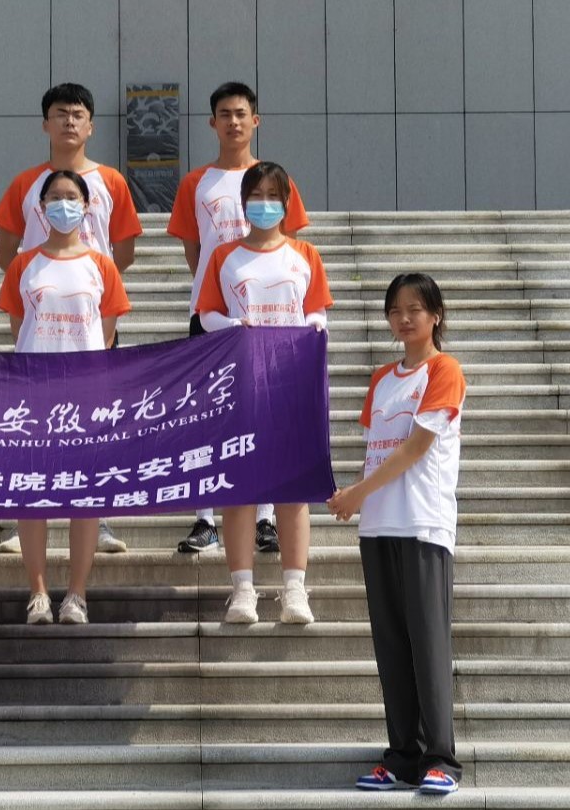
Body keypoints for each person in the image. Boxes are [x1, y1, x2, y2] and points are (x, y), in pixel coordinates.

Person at [328, 273, 465, 795]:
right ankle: (403, 756)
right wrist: (356, 496)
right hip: (379, 525)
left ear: (435, 315)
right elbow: (376, 449)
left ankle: (441, 759)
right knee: (391, 646)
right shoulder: (382, 379)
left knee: (428, 643)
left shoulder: (444, 370)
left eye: (415, 309)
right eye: (395, 310)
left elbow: (414, 448)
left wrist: (358, 493)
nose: (404, 319)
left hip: (423, 522)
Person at [0, 82, 142, 556]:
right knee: (33, 427)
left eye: (78, 114)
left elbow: (124, 251)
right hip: (41, 319)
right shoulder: (25, 183)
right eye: (60, 113)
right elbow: (4, 250)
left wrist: (91, 286)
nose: (69, 121)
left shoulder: (111, 182)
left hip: (90, 315)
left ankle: (98, 520)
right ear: (45, 124)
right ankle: (26, 518)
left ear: (91, 125)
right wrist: (41, 283)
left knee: (94, 426)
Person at [167, 81, 312, 554]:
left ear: (256, 120)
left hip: (269, 318)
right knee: (207, 415)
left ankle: (266, 519)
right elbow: (195, 250)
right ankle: (205, 518)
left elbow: (289, 245)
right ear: (212, 122)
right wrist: (220, 293)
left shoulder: (276, 180)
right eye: (225, 114)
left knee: (266, 414)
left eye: (241, 113)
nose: (233, 121)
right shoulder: (196, 183)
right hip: (212, 314)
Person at [194, 161, 332, 625]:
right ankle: (242, 591)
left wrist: (312, 326)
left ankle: (294, 590)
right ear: (243, 203)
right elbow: (207, 315)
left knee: (293, 490)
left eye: (274, 196)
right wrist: (235, 324)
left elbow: (317, 310)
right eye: (257, 195)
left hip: (291, 381)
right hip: (241, 381)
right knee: (240, 488)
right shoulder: (225, 256)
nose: (265, 204)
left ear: (287, 204)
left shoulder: (304, 254)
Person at [0, 170, 131, 624]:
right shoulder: (23, 265)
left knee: (84, 495)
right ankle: (37, 593)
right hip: (34, 393)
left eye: (72, 196)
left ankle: (77, 594)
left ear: (87, 206)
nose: (63, 204)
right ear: (41, 207)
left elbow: (106, 332)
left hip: (87, 395)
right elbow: (19, 328)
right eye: (54, 196)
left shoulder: (101, 266)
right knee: (31, 493)